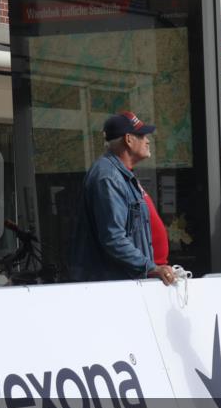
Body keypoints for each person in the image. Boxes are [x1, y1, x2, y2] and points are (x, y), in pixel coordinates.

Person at [69, 111, 176, 285]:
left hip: (124, 282)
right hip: (114, 286)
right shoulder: (108, 177)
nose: (148, 140)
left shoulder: (119, 174)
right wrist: (150, 267)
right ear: (128, 139)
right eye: (142, 136)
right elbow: (113, 238)